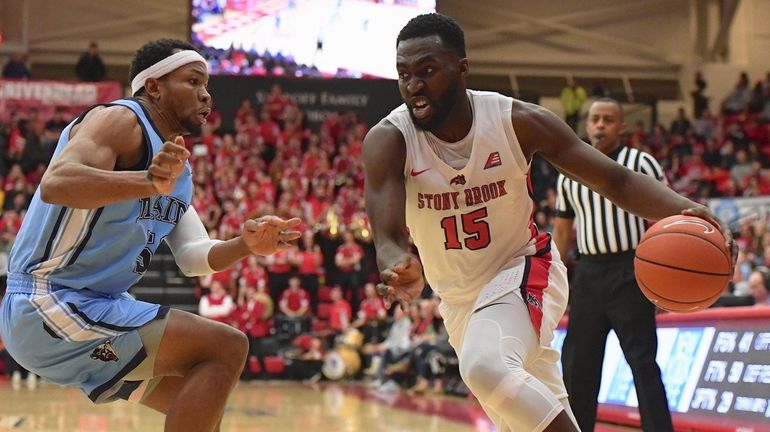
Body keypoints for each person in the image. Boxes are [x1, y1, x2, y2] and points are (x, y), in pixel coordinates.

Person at [363, 13, 733, 432]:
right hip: (458, 300)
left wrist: (685, 208)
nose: (413, 86)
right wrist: (397, 264)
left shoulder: (516, 121)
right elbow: (388, 237)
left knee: (484, 366)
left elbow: (616, 178)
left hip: (523, 270)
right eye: (404, 74)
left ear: (461, 68)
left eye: (427, 71)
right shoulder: (388, 139)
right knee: (528, 418)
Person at [0, 39, 300, 432]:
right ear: (154, 86)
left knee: (201, 407)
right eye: (193, 81)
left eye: (206, 85)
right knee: (226, 347)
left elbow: (192, 256)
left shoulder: (179, 173)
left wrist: (244, 245)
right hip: (49, 299)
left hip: (92, 307)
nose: (206, 94)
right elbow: (58, 182)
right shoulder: (120, 120)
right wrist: (146, 181)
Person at [552, 98, 673, 432]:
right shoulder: (569, 172)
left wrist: (660, 278)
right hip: (589, 273)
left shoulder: (641, 163)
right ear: (587, 126)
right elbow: (562, 228)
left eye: (608, 119)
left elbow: (664, 215)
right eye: (595, 119)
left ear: (622, 127)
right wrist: (553, 279)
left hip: (631, 270)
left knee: (643, 363)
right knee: (579, 366)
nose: (601, 125)